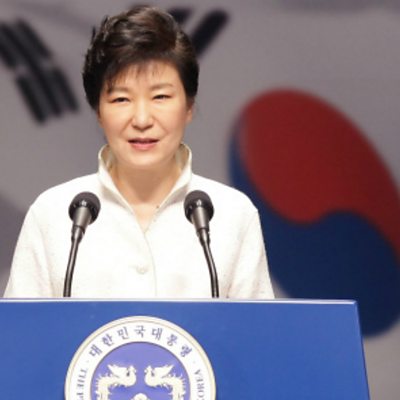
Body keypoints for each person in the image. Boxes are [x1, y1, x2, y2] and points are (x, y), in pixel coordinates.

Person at [4, 5, 274, 299]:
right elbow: (22, 327)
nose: (142, 119)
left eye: (160, 96)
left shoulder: (232, 215)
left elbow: (259, 328)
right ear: (98, 112)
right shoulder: (54, 214)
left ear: (189, 107)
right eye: (121, 99)